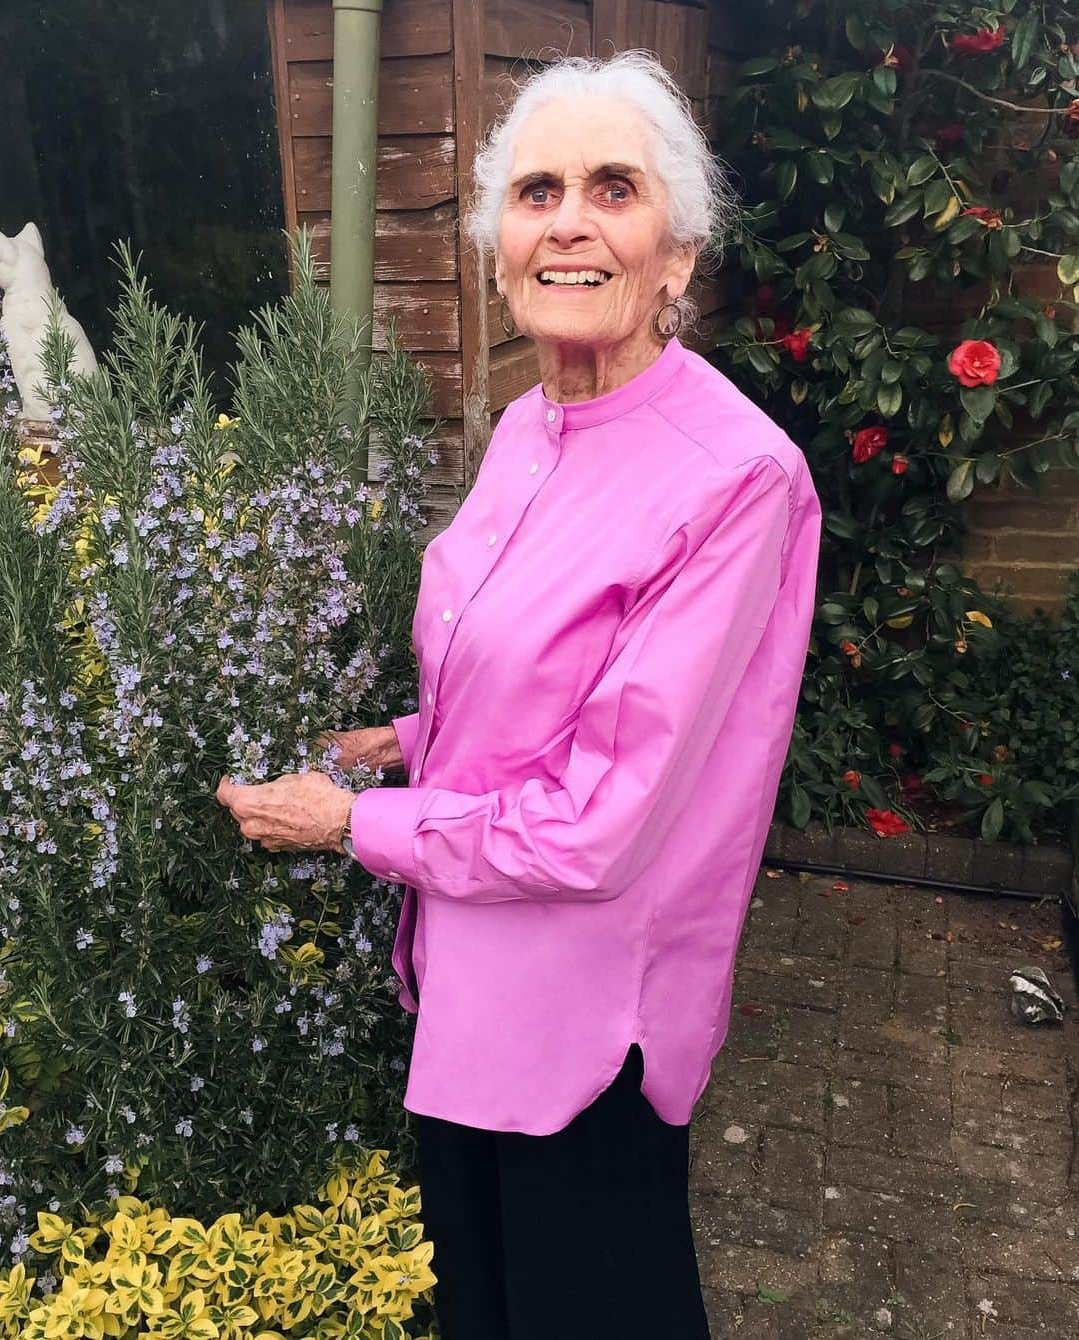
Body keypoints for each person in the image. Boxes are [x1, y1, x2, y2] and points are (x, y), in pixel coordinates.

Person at [217, 49, 822, 1340]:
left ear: (678, 255)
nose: (569, 222)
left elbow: (603, 816)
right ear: (500, 247)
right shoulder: (522, 430)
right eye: (538, 191)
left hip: (586, 1041)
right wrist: (407, 736)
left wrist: (350, 823)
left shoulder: (735, 480)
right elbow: (536, 691)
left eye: (615, 188)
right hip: (463, 995)